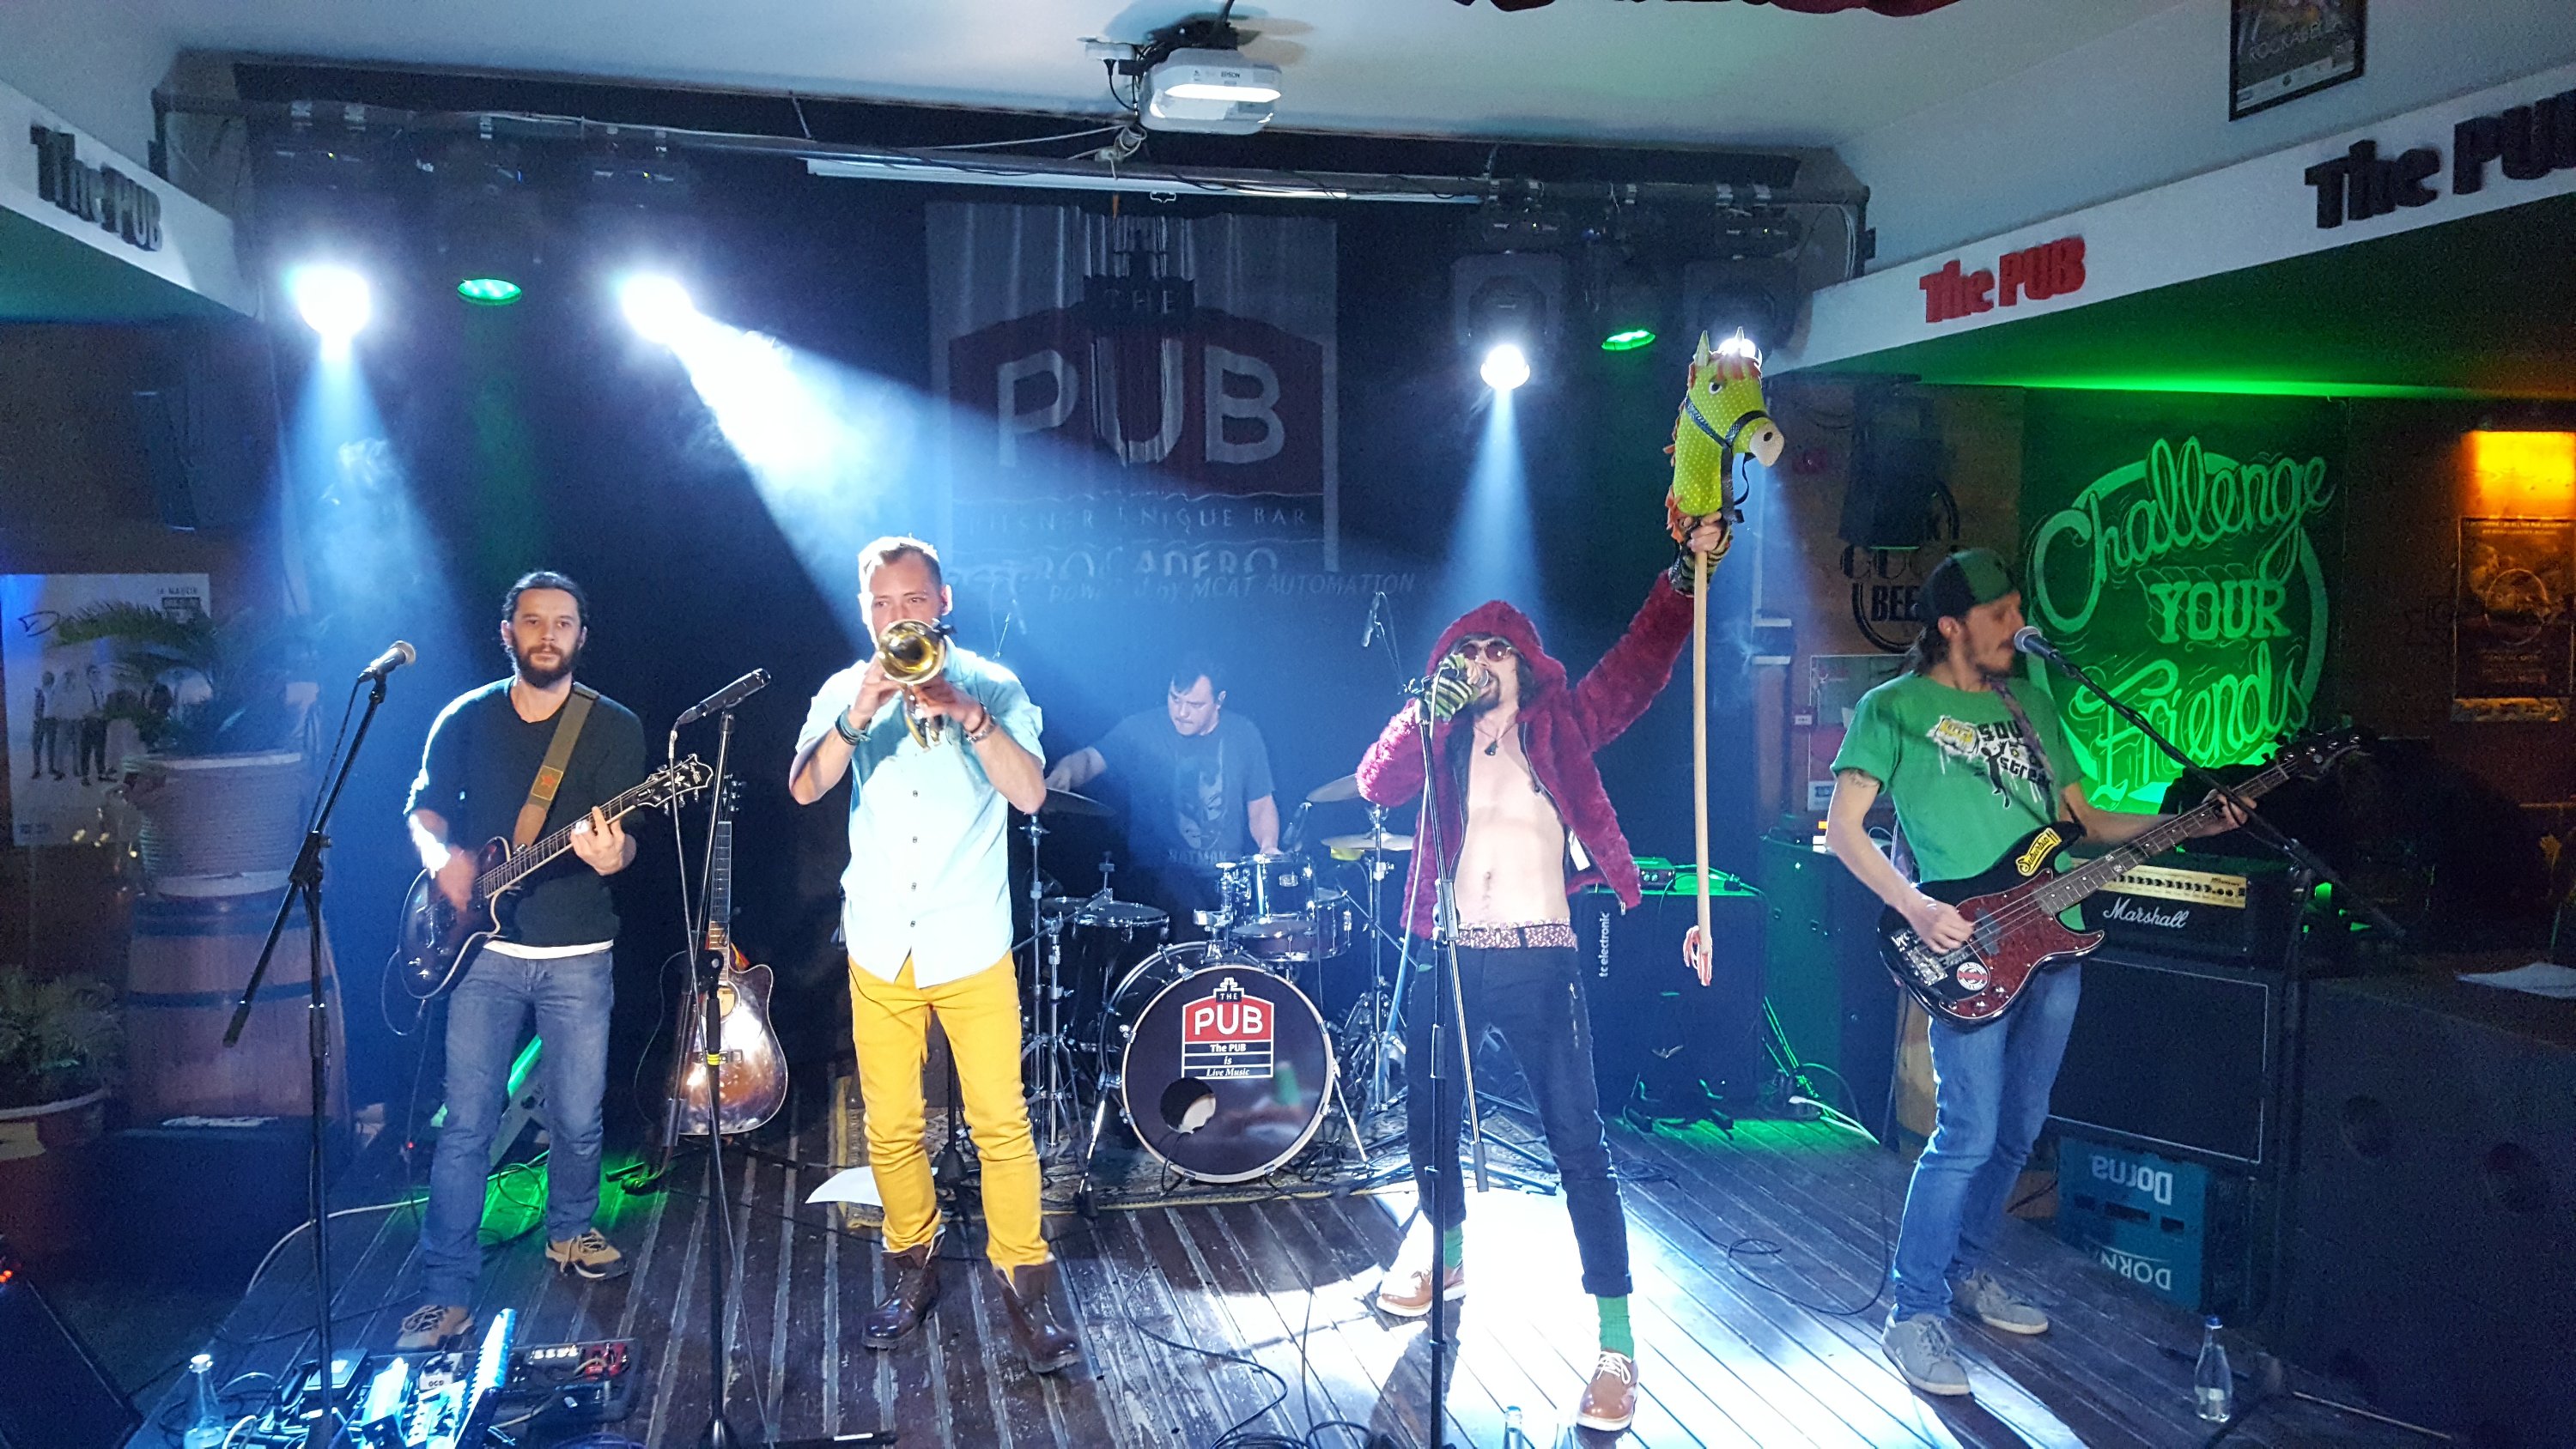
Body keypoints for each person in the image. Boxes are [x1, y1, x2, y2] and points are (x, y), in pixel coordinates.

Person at [1815, 549, 2242, 1398]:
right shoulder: (1891, 707)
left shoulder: (2033, 702)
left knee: (2021, 1125)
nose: (2019, 625)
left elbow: (2084, 823)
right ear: (1951, 625)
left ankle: (1967, 1273)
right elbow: (1845, 829)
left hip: (2059, 941)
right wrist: (1915, 906)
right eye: (2001, 614)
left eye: (2017, 609)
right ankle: (1914, 1312)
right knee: (1967, 1132)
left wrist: (2190, 823)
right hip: (1965, 941)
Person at [1354, 517, 1728, 1434]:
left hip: (1540, 955)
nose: (1481, 660)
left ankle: (1616, 1343)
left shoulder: (1561, 727)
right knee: (1427, 1120)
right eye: (1467, 649)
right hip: (1452, 953)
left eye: (1497, 649)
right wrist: (1425, 711)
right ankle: (1445, 1252)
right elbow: (1375, 783)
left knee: (1577, 1145)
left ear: (1525, 663)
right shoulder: (1440, 739)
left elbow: (1639, 665)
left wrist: (1682, 577)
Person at [787, 536, 1082, 1377]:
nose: (897, 617)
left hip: (969, 935)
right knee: (889, 1124)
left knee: (1000, 1121)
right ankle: (911, 1266)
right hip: (882, 937)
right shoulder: (846, 688)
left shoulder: (994, 683)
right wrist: (860, 711)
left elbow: (1031, 792)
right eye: (881, 604)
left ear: (943, 602)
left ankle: (1024, 1285)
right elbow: (804, 786)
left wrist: (968, 713)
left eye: (912, 600)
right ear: (865, 611)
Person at [398, 571, 647, 1352]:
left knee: (577, 1116)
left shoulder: (613, 727)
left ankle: (571, 1230)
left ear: (581, 637)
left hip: (579, 948)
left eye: (563, 623)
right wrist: (442, 859)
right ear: (507, 632)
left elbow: (627, 845)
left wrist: (613, 855)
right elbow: (424, 811)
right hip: (481, 953)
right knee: (467, 1124)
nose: (548, 635)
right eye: (533, 621)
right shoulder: (465, 717)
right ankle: (446, 1290)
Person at [1043, 652, 1279, 931]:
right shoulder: (1142, 729)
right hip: (1155, 878)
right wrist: (1066, 773)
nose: (1181, 712)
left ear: (1219, 700)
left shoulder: (1243, 734)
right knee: (1182, 901)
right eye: (1175, 699)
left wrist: (1268, 847)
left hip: (1226, 882)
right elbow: (1090, 759)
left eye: (1195, 704)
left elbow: (1261, 805)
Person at [27, 670, 60, 780]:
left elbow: (58, 705)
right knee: (37, 745)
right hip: (39, 721)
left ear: (52, 680)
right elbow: (33, 706)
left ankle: (51, 768)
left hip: (51, 721)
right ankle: (37, 769)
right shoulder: (38, 691)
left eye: (48, 678)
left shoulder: (55, 692)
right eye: (44, 677)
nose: (45, 679)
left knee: (51, 745)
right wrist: (35, 718)